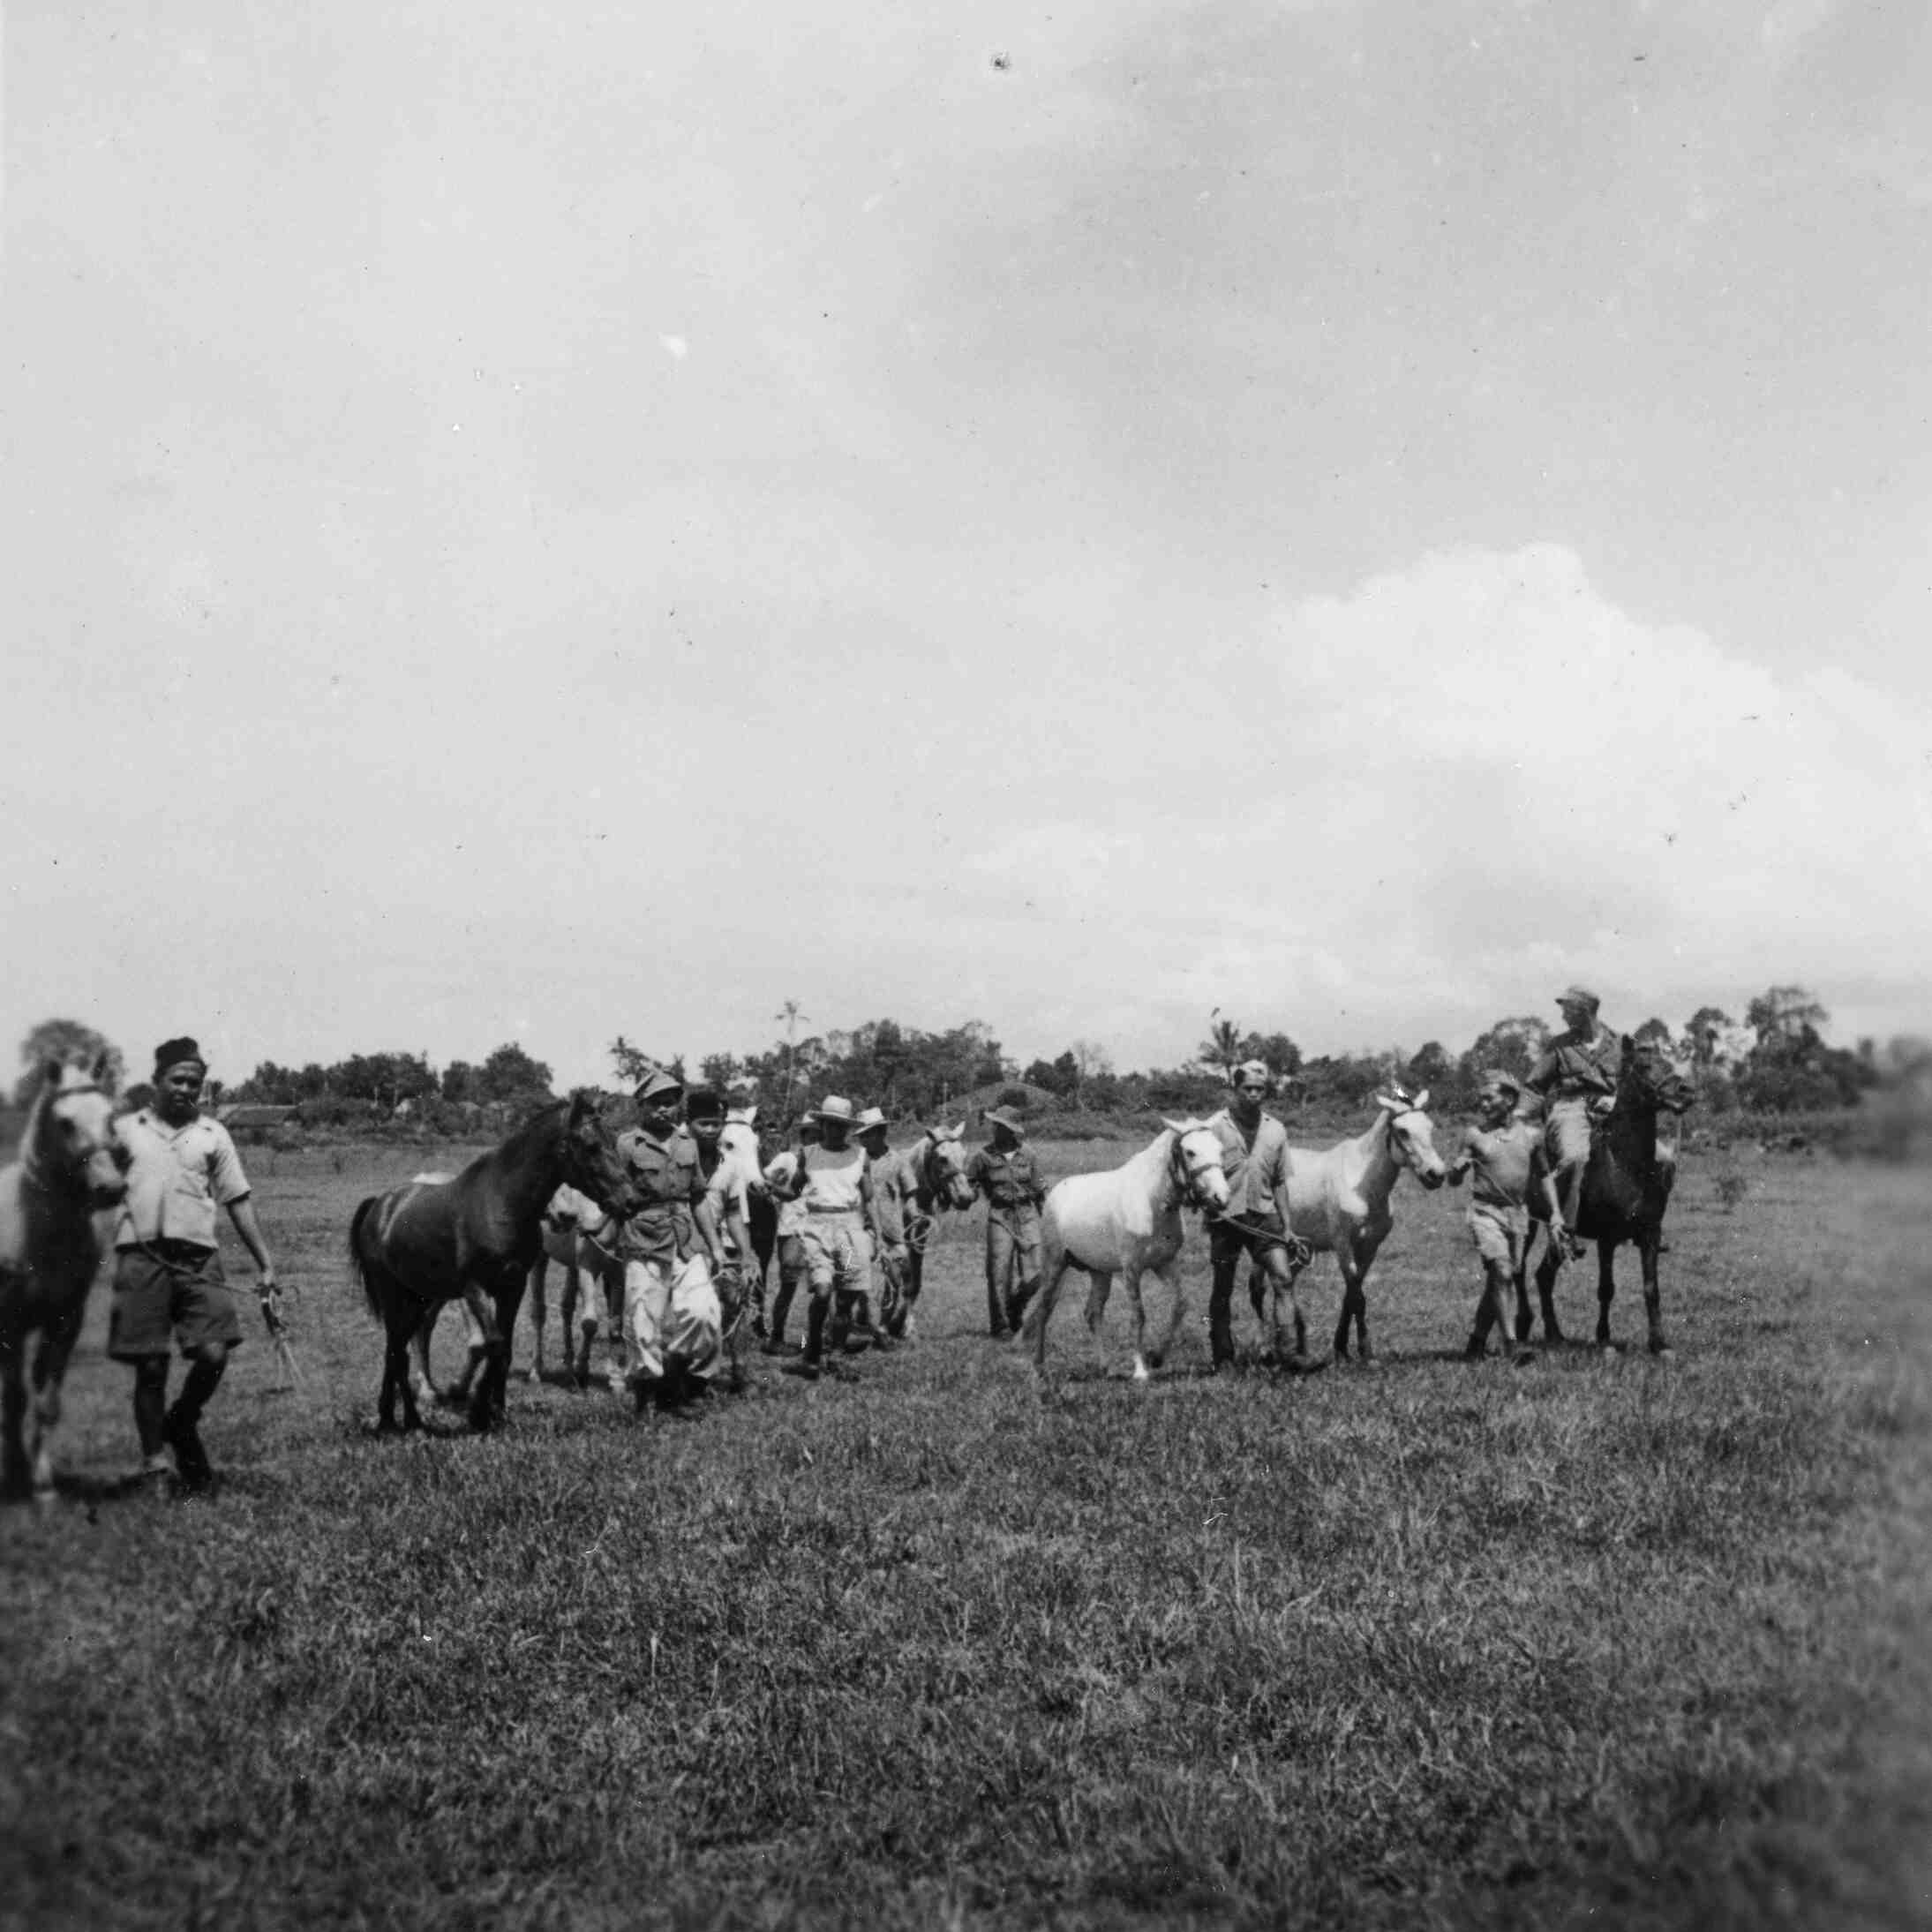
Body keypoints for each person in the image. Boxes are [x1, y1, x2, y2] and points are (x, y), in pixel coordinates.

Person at [108, 1037, 278, 1491]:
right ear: (157, 1081)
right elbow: (92, 1183)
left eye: (195, 1083)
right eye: (178, 1080)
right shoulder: (125, 1131)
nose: (186, 1089)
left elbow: (237, 1199)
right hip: (140, 1258)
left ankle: (182, 1419)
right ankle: (154, 1465)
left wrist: (266, 1263)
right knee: (150, 1365)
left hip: (198, 1257)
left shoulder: (212, 1135)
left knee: (214, 1352)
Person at [613, 1067, 729, 1413]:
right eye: (656, 1103)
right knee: (642, 1320)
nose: (664, 1109)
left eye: (670, 1102)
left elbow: (698, 1198)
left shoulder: (687, 1144)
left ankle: (683, 1379)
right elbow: (614, 1194)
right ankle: (647, 1396)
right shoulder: (627, 1144)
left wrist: (717, 1247)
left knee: (704, 1313)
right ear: (642, 1106)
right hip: (644, 1238)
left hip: (686, 1237)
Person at [1202, 1061, 1319, 1373]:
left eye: (1260, 1089)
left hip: (1264, 1216)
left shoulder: (1276, 1129)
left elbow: (1280, 1181)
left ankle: (1290, 1354)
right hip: (1226, 1219)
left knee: (1282, 1278)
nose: (1254, 1095)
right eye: (1247, 1089)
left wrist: (1289, 1227)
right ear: (1235, 1090)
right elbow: (1199, 1170)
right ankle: (1223, 1357)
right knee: (1222, 1288)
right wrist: (1205, 1200)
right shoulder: (1214, 1127)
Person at [1443, 1070, 1564, 1359]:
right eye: (1481, 1100)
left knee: (1499, 1280)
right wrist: (1457, 1170)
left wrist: (1556, 1214)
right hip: (1485, 1212)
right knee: (1502, 1271)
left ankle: (1476, 1343)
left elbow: (1545, 1175)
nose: (1483, 1105)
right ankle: (1511, 1345)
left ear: (1509, 1100)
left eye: (1489, 1099)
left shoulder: (1533, 1136)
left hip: (1518, 1216)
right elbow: (1454, 1179)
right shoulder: (1474, 1135)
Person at [772, 1094, 880, 1380]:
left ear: (848, 1128)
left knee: (845, 1299)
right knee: (822, 1292)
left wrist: (875, 1232)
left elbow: (868, 1197)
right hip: (818, 1229)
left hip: (848, 1230)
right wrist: (770, 1188)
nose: (834, 1130)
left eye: (840, 1125)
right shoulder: (809, 1154)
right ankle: (811, 1352)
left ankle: (836, 1356)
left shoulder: (860, 1156)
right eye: (829, 1124)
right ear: (821, 1125)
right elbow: (793, 1191)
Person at [1525, 986, 1622, 1258]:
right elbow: (1534, 1087)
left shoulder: (1618, 1044)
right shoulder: (1559, 1045)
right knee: (1576, 1157)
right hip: (1572, 1107)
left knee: (1659, 1158)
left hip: (1613, 1109)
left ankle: (1647, 1228)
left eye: (1567, 1008)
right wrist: (1520, 1114)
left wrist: (1616, 1100)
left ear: (1585, 1011)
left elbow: (1633, 1083)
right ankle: (1566, 1232)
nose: (1563, 1014)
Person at [686, 1086, 757, 1378]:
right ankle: (690, 1376)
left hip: (717, 1247)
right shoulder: (675, 1159)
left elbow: (733, 1213)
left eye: (717, 1124)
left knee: (734, 1298)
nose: (711, 1130)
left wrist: (747, 1254)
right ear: (688, 1124)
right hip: (680, 1249)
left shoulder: (731, 1165)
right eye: (704, 1123)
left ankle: (739, 1369)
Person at [965, 1107, 1046, 1339]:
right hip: (1000, 1217)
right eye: (995, 1125)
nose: (995, 1130)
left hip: (1027, 1214)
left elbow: (1040, 1187)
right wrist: (968, 1195)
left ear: (1011, 1131)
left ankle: (1016, 1305)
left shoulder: (1029, 1155)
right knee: (999, 1272)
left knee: (1037, 1273)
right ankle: (1000, 1326)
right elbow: (969, 1184)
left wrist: (1048, 1219)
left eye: (1000, 1126)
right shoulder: (983, 1156)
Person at [759, 1112, 817, 1356]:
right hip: (792, 1228)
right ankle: (777, 1337)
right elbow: (764, 1178)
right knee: (789, 1284)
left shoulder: (827, 1163)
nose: (816, 1139)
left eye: (820, 1134)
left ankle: (813, 1340)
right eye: (812, 1134)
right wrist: (774, 1190)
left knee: (821, 1286)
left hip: (819, 1230)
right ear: (803, 1136)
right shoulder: (788, 1159)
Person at [854, 1107, 906, 1342]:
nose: (865, 1140)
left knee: (898, 1278)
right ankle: (864, 1325)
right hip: (859, 1230)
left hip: (892, 1232)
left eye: (869, 1134)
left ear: (881, 1133)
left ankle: (885, 1322)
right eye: (862, 1136)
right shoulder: (854, 1161)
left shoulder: (897, 1161)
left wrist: (915, 1214)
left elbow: (910, 1191)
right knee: (854, 1276)